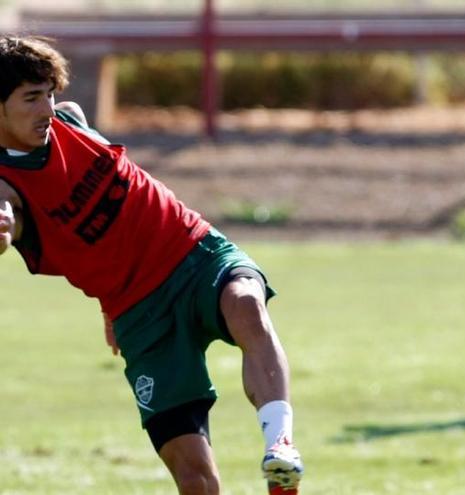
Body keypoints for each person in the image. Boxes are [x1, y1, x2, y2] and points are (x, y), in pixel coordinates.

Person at [0, 36, 303, 495]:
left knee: (246, 304)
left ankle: (280, 445)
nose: (47, 108)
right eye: (31, 98)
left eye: (49, 93)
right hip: (140, 315)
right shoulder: (8, 187)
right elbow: (7, 217)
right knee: (194, 477)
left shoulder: (71, 120)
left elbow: (110, 220)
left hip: (192, 252)